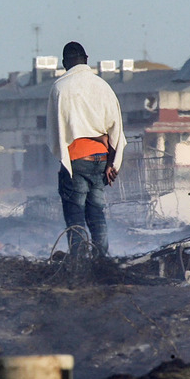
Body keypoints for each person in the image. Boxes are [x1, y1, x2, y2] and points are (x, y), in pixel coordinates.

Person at [47, 41, 127, 258]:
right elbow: (116, 130)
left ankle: (79, 263)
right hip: (101, 160)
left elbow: (55, 133)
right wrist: (112, 163)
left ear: (65, 63)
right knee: (96, 213)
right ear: (87, 59)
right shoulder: (103, 87)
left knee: (75, 215)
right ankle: (101, 261)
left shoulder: (60, 87)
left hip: (76, 160)